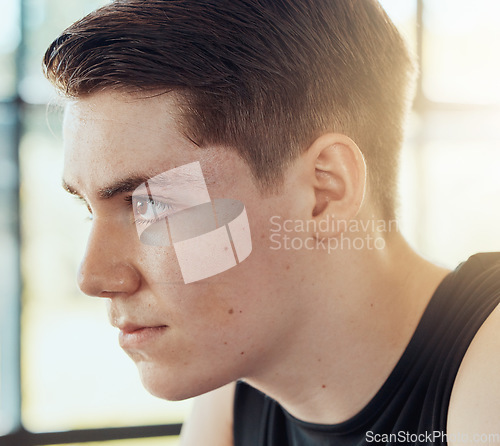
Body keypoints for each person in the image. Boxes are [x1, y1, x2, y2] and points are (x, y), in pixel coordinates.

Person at [42, 0, 500, 445]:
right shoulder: (237, 368)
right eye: (88, 207)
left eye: (152, 203)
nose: (93, 277)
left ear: (325, 192)